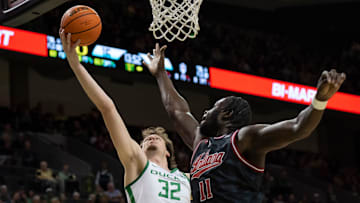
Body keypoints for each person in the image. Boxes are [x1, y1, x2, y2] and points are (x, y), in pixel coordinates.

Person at [143, 43, 346, 203]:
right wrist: (161, 73)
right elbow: (177, 110)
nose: (205, 111)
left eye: (212, 107)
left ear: (227, 114)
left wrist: (319, 101)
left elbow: (297, 127)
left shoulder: (244, 139)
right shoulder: (201, 144)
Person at [59, 30, 190, 203]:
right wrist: (77, 66)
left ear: (168, 151)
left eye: (157, 138)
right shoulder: (137, 161)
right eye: (145, 141)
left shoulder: (188, 178)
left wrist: (161, 75)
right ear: (139, 148)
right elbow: (108, 108)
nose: (151, 138)